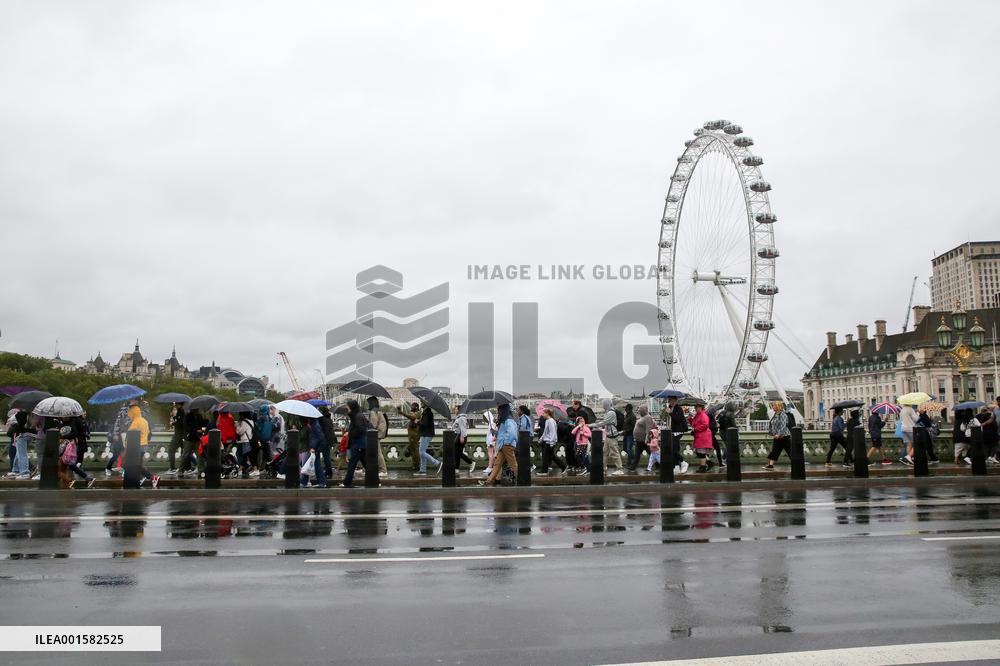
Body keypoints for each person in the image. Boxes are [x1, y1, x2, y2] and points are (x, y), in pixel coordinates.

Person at [481, 404, 518, 486]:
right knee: (497, 464)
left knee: (513, 464)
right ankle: (489, 481)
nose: (498, 411)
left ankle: (521, 479)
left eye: (499, 409)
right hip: (503, 445)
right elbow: (502, 434)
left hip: (506, 446)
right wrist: (494, 432)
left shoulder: (508, 420)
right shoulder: (506, 420)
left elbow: (512, 434)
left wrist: (506, 442)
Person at [126, 403, 159, 489]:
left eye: (130, 413)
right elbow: (148, 433)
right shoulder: (144, 420)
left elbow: (130, 434)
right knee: (138, 464)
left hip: (137, 446)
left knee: (135, 465)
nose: (129, 415)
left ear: (133, 412)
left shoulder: (135, 422)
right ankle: (140, 478)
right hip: (144, 445)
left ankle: (152, 477)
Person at [595, 399, 625, 475]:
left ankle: (620, 469)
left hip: (612, 436)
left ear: (606, 404)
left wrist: (591, 425)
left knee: (614, 452)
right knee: (605, 452)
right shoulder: (608, 412)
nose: (602, 405)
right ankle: (604, 467)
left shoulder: (611, 413)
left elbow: (604, 422)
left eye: (603, 404)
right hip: (608, 436)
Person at [762, 401, 791, 470]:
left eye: (774, 406)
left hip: (784, 436)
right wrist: (771, 433)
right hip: (777, 436)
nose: (773, 407)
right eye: (773, 406)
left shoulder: (783, 414)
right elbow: (773, 425)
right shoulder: (775, 414)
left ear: (778, 407)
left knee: (790, 451)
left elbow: (783, 426)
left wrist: (778, 434)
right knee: (775, 451)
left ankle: (797, 463)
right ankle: (770, 465)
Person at [364, 397, 389, 477]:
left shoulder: (373, 412)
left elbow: (373, 425)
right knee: (372, 452)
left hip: (375, 435)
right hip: (379, 433)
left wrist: (366, 422)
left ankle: (383, 470)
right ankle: (366, 469)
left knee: (377, 453)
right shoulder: (377, 411)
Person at [6, 411, 34, 479]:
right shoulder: (34, 413)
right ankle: (16, 470)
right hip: (31, 435)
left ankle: (24, 472)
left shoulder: (22, 413)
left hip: (22, 434)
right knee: (18, 452)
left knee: (21, 454)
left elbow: (15, 423)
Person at [104, 403, 130, 476]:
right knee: (116, 455)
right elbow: (117, 424)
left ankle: (123, 469)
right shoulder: (123, 411)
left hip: (125, 435)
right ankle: (108, 468)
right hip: (120, 437)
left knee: (123, 454)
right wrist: (115, 434)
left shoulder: (129, 410)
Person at [629, 404, 657, 472]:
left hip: (644, 440)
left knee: (651, 453)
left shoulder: (647, 417)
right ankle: (633, 467)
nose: (639, 411)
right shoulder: (643, 417)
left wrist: (647, 438)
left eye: (640, 410)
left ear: (643, 410)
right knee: (637, 454)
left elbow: (648, 429)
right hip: (639, 440)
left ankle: (659, 465)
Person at [537, 408, 565, 475]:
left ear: (547, 413)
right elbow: (545, 432)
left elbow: (553, 433)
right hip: (548, 441)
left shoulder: (551, 421)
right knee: (551, 456)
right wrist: (541, 439)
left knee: (546, 457)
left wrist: (552, 442)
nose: (542, 415)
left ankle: (544, 471)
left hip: (549, 442)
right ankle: (564, 467)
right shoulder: (547, 421)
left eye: (543, 413)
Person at [301, 416, 328, 487]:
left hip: (314, 448)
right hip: (314, 448)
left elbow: (319, 437)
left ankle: (306, 482)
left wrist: (314, 447)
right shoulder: (313, 424)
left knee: (314, 464)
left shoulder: (315, 425)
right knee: (313, 464)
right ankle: (305, 482)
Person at [416, 400, 441, 476]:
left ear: (426, 403)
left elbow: (425, 424)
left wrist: (418, 422)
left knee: (421, 452)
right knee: (421, 453)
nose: (420, 403)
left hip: (426, 434)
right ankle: (422, 470)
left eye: (422, 402)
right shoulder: (426, 411)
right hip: (425, 434)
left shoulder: (427, 412)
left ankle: (437, 463)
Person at [181, 408, 208, 478]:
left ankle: (201, 470)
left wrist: (205, 418)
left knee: (200, 455)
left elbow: (204, 424)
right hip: (189, 439)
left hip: (197, 439)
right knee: (185, 455)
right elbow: (187, 427)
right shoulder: (187, 417)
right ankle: (181, 470)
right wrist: (196, 430)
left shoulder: (199, 416)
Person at [667, 396, 689, 474]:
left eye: (671, 400)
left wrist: (670, 413)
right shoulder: (669, 408)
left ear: (675, 400)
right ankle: (676, 466)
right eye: (669, 400)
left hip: (678, 431)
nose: (670, 402)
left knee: (673, 449)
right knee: (674, 449)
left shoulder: (678, 409)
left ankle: (683, 461)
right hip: (671, 431)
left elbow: (678, 419)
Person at [398, 403, 422, 472]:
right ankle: (415, 465)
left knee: (415, 451)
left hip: (414, 436)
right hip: (412, 435)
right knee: (413, 451)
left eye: (413, 406)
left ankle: (417, 466)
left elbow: (412, 417)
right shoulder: (416, 413)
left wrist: (402, 413)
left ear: (416, 407)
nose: (411, 407)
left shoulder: (417, 413)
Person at [691, 403, 714, 472]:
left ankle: (703, 467)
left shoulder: (703, 415)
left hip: (703, 436)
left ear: (701, 407)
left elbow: (705, 425)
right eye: (695, 407)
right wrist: (689, 418)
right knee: (698, 452)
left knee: (701, 453)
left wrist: (695, 429)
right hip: (699, 436)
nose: (695, 409)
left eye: (697, 407)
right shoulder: (697, 415)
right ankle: (709, 463)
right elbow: (693, 423)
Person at [451, 407, 475, 473]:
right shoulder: (459, 418)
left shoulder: (461, 418)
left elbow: (463, 429)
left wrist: (462, 437)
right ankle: (456, 468)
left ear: (459, 410)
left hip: (460, 437)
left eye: (455, 409)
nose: (454, 410)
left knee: (458, 453)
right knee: (458, 453)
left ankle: (471, 462)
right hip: (458, 436)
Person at [165, 402, 185, 476]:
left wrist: (173, 423)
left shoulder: (181, 411)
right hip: (180, 435)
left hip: (178, 435)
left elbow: (180, 423)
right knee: (185, 453)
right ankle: (187, 467)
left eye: (175, 404)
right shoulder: (181, 411)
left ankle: (173, 468)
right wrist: (174, 417)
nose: (175, 406)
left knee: (171, 450)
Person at [622, 404, 636, 468]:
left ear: (629, 409)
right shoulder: (627, 415)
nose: (625, 409)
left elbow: (634, 427)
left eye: (626, 408)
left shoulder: (632, 416)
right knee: (624, 448)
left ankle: (629, 463)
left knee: (629, 449)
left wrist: (626, 430)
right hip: (626, 434)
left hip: (630, 435)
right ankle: (634, 457)